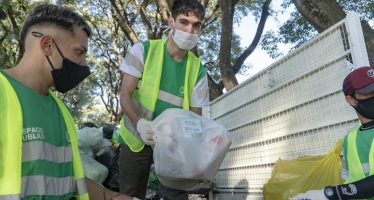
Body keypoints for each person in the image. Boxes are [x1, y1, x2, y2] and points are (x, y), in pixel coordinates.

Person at [0, 3, 134, 200]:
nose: (84, 64)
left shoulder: (61, 111)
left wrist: (112, 197)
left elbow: (68, 177)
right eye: (79, 52)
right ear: (47, 45)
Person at [118, 0, 209, 199]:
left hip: (173, 144)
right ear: (171, 22)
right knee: (130, 194)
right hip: (136, 137)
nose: (190, 30)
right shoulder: (143, 50)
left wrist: (194, 151)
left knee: (176, 195)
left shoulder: (198, 71)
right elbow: (125, 95)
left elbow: (195, 119)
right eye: (184, 22)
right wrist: (140, 123)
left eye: (196, 25)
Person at [292, 66, 374, 200]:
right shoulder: (350, 140)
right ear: (351, 100)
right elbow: (349, 178)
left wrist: (332, 193)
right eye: (369, 92)